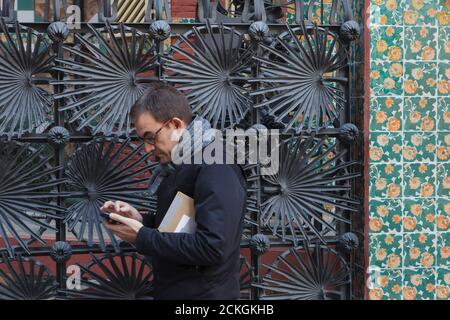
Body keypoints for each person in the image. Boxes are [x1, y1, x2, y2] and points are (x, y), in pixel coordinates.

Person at [100, 82, 247, 300]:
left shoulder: (215, 164)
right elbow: (181, 227)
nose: (148, 148)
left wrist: (143, 237)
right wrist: (141, 221)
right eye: (143, 140)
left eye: (151, 137)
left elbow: (213, 247)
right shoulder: (187, 161)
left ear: (176, 124)